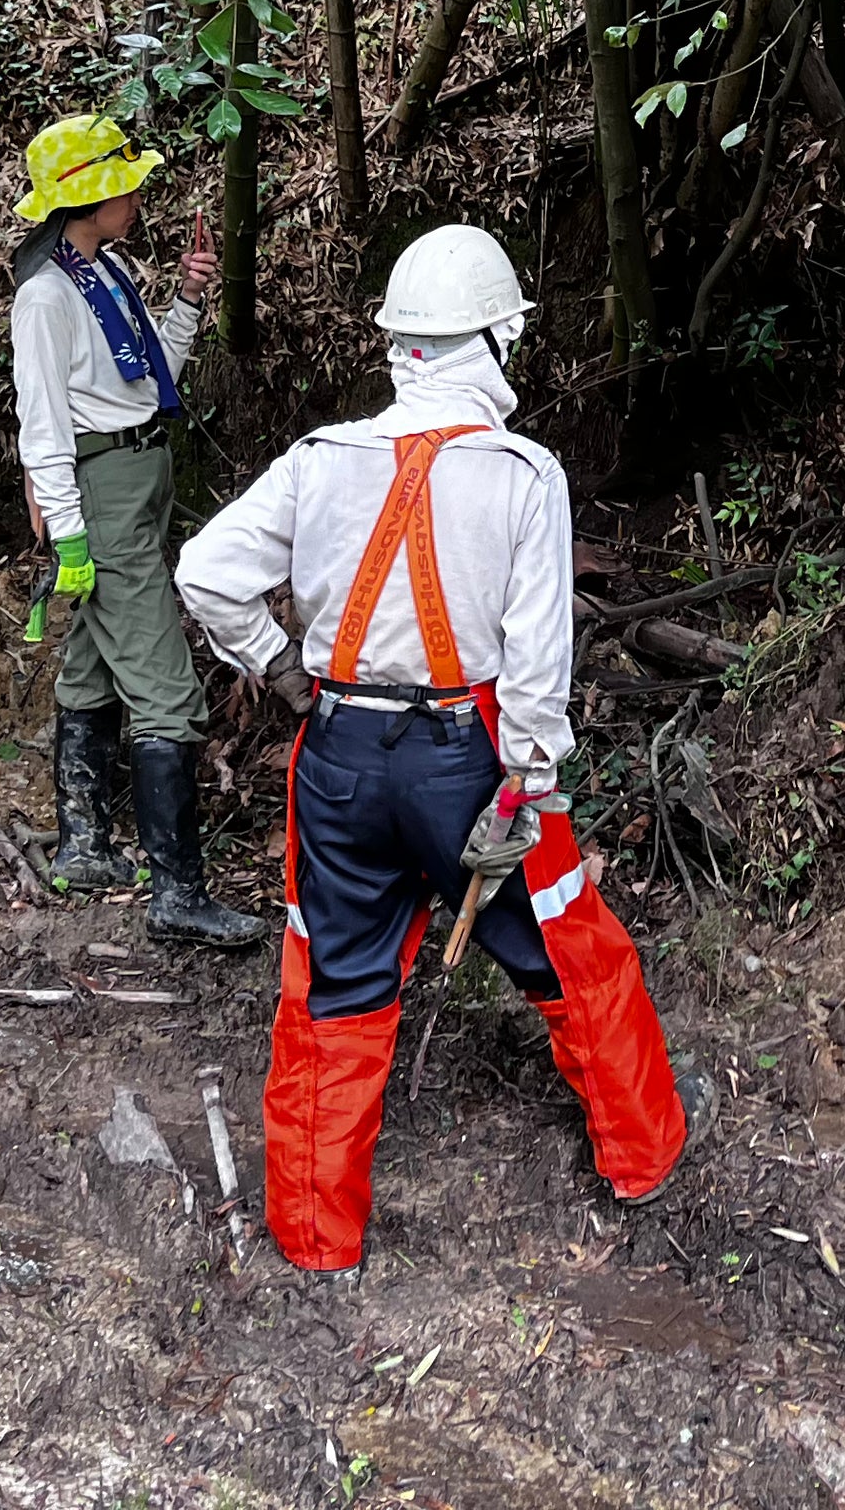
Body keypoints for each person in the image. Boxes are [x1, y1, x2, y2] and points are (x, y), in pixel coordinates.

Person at [177, 223, 707, 1272]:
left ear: (399, 345)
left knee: (334, 987)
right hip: (473, 758)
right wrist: (530, 780)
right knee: (570, 951)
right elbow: (537, 655)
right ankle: (642, 1154)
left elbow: (204, 571)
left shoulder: (319, 459)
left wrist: (282, 668)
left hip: (336, 758)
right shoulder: (522, 474)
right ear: (498, 339)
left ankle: (317, 1238)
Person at [6, 111, 244, 938]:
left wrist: (183, 301)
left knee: (94, 664)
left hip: (138, 470)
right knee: (165, 686)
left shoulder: (100, 270)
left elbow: (145, 383)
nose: (139, 191)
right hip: (102, 489)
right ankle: (178, 897)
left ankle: (84, 846)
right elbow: (43, 423)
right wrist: (69, 531)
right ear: (94, 194)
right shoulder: (45, 296)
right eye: (127, 181)